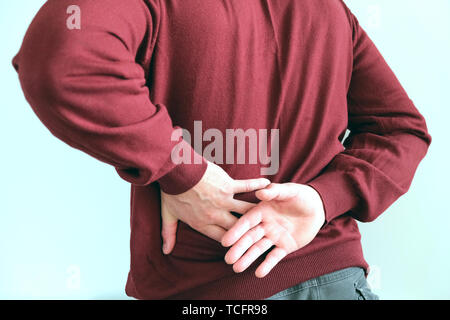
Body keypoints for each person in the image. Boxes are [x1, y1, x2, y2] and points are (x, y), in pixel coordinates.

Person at [13, 0, 431, 300]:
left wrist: (180, 170)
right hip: (339, 280)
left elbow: (61, 60)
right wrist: (326, 199)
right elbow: (402, 130)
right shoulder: (329, 9)